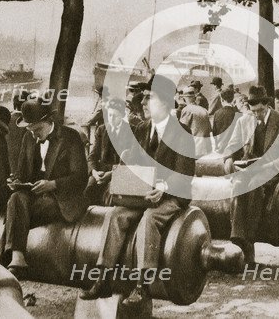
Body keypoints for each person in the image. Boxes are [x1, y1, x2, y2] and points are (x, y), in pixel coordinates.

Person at [80, 75, 195, 305]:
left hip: (171, 196)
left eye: (148, 98)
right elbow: (133, 163)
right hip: (143, 194)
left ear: (163, 102)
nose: (142, 103)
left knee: (149, 220)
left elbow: (185, 173)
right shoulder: (142, 129)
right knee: (115, 215)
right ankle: (104, 278)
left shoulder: (182, 133)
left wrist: (163, 187)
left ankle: (143, 285)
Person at [2, 98, 88, 277]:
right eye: (30, 131)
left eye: (37, 130)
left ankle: (3, 256)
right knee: (16, 198)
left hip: (61, 198)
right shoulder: (28, 137)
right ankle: (18, 257)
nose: (34, 135)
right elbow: (22, 172)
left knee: (16, 210)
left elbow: (80, 178)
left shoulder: (70, 137)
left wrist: (53, 184)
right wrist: (16, 180)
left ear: (48, 122)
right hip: (35, 195)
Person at [222, 85, 279, 263]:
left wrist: (267, 165)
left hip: (274, 170)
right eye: (253, 111)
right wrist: (228, 159)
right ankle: (239, 238)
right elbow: (232, 146)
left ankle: (246, 241)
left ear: (267, 105)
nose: (257, 115)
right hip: (249, 168)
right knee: (239, 186)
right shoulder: (244, 120)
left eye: (260, 111)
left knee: (254, 185)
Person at [85, 98, 133, 205]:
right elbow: (92, 156)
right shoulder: (102, 130)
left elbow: (130, 163)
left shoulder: (132, 131)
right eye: (109, 115)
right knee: (88, 189)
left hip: (121, 172)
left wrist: (112, 173)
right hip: (100, 172)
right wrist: (94, 172)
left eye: (115, 116)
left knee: (111, 193)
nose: (111, 119)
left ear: (122, 115)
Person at [179, 85, 213, 158]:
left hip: (194, 148)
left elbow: (182, 130)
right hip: (207, 147)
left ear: (184, 98)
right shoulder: (204, 110)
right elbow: (209, 129)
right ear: (194, 97)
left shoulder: (187, 110)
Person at [8, 90, 31, 173]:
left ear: (14, 105)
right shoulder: (30, 122)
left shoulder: (5, 120)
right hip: (23, 168)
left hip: (7, 165)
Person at [212, 88, 239, 153]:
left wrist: (216, 146)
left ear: (222, 99)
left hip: (221, 148)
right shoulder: (237, 113)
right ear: (232, 98)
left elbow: (214, 132)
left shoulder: (217, 113)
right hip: (234, 149)